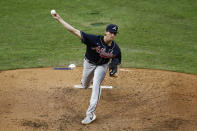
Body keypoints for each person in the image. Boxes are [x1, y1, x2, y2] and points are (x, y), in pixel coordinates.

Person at [51, 11, 121, 124]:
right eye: (111, 32)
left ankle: (90, 114)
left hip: (102, 66)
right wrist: (59, 19)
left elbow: (116, 61)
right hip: (89, 64)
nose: (112, 35)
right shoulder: (93, 39)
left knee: (97, 84)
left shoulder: (116, 49)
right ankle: (88, 81)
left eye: (115, 33)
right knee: (85, 85)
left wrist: (115, 70)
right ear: (106, 32)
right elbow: (73, 30)